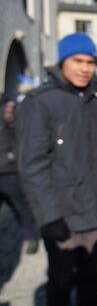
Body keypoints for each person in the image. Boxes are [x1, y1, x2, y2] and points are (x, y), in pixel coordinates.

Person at [16, 33, 97, 306]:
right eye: (78, 60)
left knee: (91, 279)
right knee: (61, 283)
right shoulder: (40, 103)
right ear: (63, 61)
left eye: (90, 62)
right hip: (63, 216)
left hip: (94, 215)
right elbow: (32, 166)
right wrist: (49, 216)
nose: (85, 68)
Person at [0, 96, 39, 253]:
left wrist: (16, 160)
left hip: (9, 171)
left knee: (20, 206)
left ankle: (32, 237)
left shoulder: (9, 110)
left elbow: (21, 137)